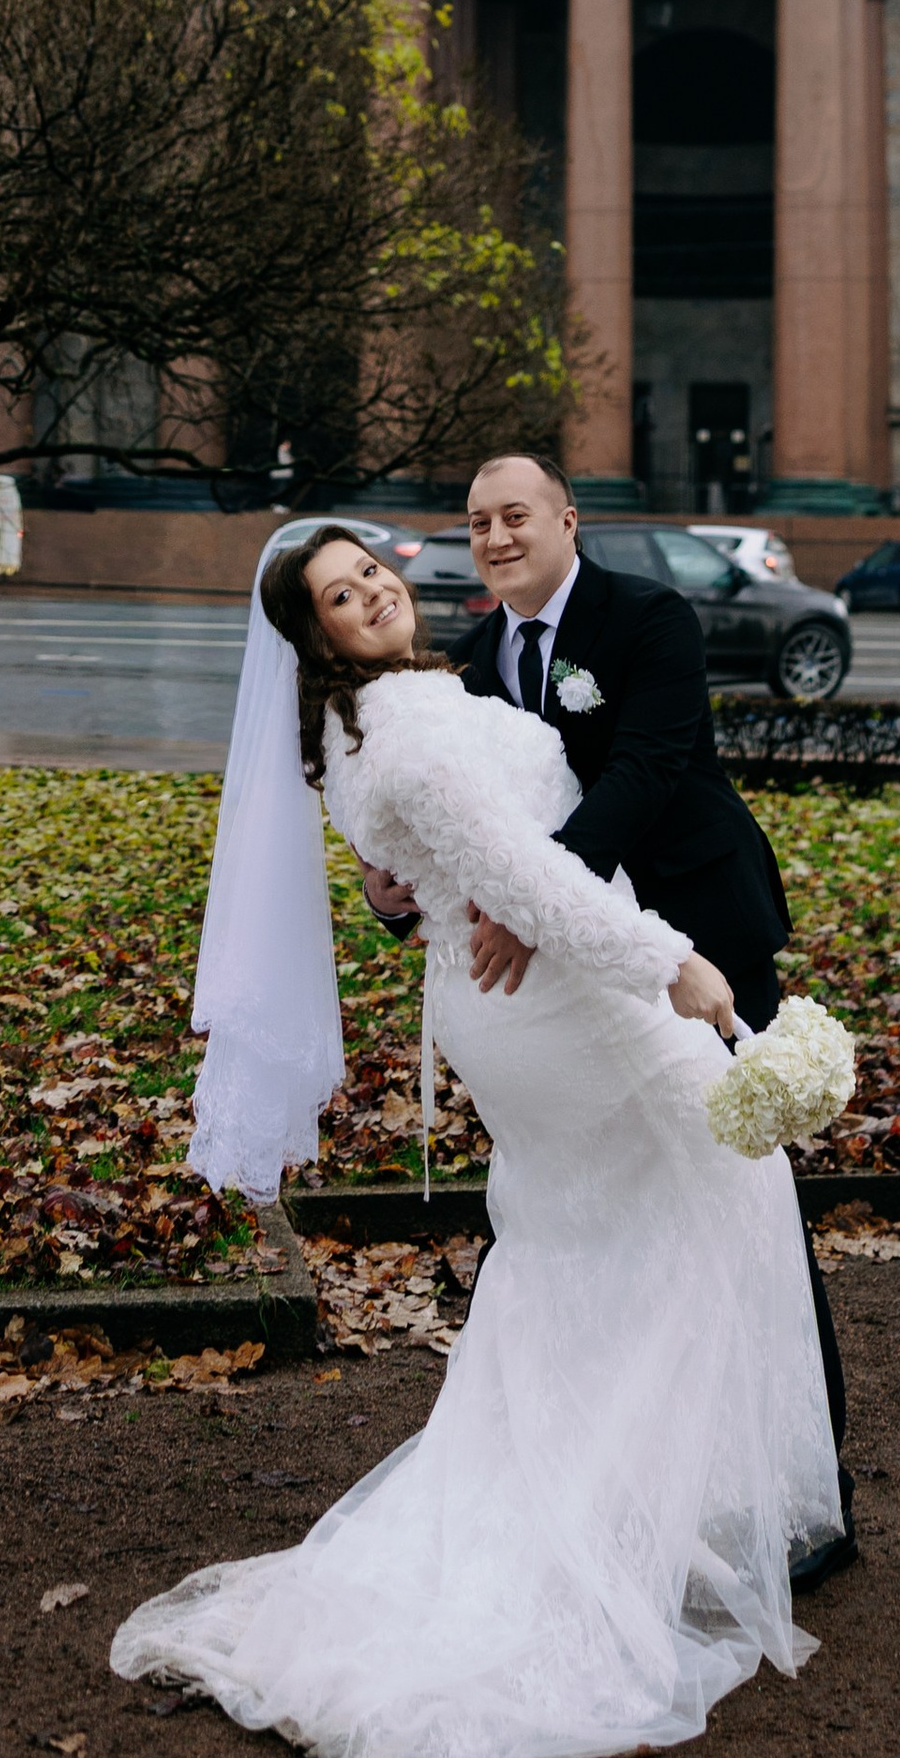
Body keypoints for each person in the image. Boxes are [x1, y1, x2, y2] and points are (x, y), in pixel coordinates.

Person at [108, 521, 844, 1758]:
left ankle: (629, 1507)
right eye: (342, 595)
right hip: (571, 1006)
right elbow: (528, 880)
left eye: (372, 570)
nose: (373, 592)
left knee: (579, 1255)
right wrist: (675, 968)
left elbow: (434, 872)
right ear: (317, 637)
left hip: (507, 1011)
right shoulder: (414, 729)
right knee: (716, 1202)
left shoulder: (364, 732)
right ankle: (607, 1526)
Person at [365, 448, 852, 1527]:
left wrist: (534, 904)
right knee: (578, 1206)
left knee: (745, 1191)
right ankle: (593, 1475)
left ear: (568, 520)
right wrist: (399, 897)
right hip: (569, 980)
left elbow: (646, 766)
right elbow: (463, 834)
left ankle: (808, 1469)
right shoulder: (472, 664)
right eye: (478, 521)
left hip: (698, 926)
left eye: (516, 516)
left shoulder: (649, 618)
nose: (495, 538)